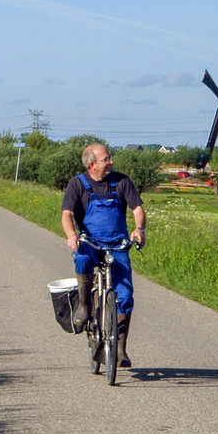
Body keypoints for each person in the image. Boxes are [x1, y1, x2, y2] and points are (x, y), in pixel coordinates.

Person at [61, 143, 146, 367]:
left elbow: (137, 208)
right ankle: (84, 305)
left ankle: (119, 349)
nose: (111, 162)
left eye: (110, 158)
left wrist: (139, 229)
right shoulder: (77, 184)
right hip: (90, 242)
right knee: (81, 258)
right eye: (106, 159)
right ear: (92, 165)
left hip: (118, 244)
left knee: (125, 296)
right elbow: (67, 214)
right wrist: (71, 235)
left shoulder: (122, 181)